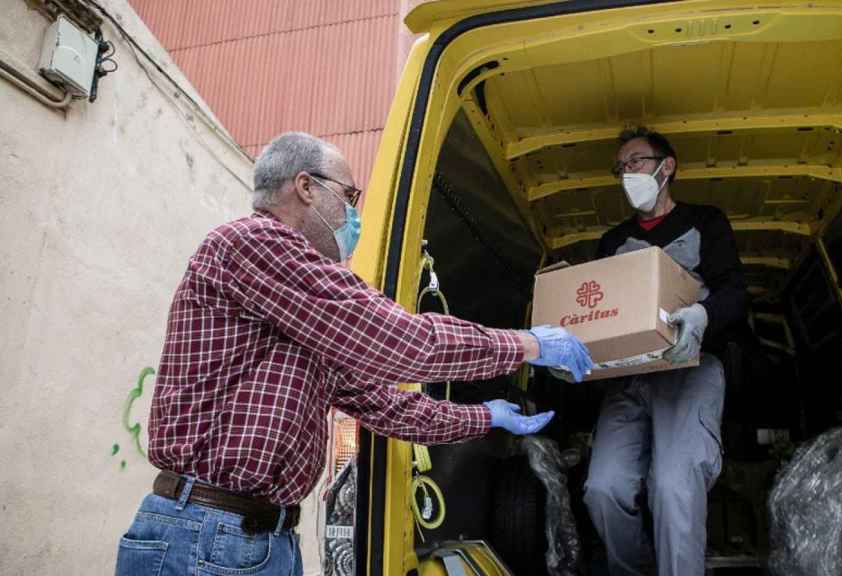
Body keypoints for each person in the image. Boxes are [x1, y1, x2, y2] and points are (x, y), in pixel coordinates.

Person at [114, 132, 593, 575]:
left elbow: (385, 404)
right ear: (305, 187)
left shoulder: (297, 313)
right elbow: (401, 341)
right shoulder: (253, 244)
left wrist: (484, 418)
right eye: (349, 196)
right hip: (207, 533)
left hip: (256, 539)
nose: (353, 214)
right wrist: (527, 345)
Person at [578, 127, 749, 576]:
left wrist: (703, 315)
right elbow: (598, 317)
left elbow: (734, 291)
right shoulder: (613, 242)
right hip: (630, 380)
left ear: (666, 166)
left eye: (635, 161)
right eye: (621, 167)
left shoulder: (705, 223)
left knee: (673, 488)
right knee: (603, 488)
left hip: (689, 369)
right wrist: (574, 355)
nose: (627, 172)